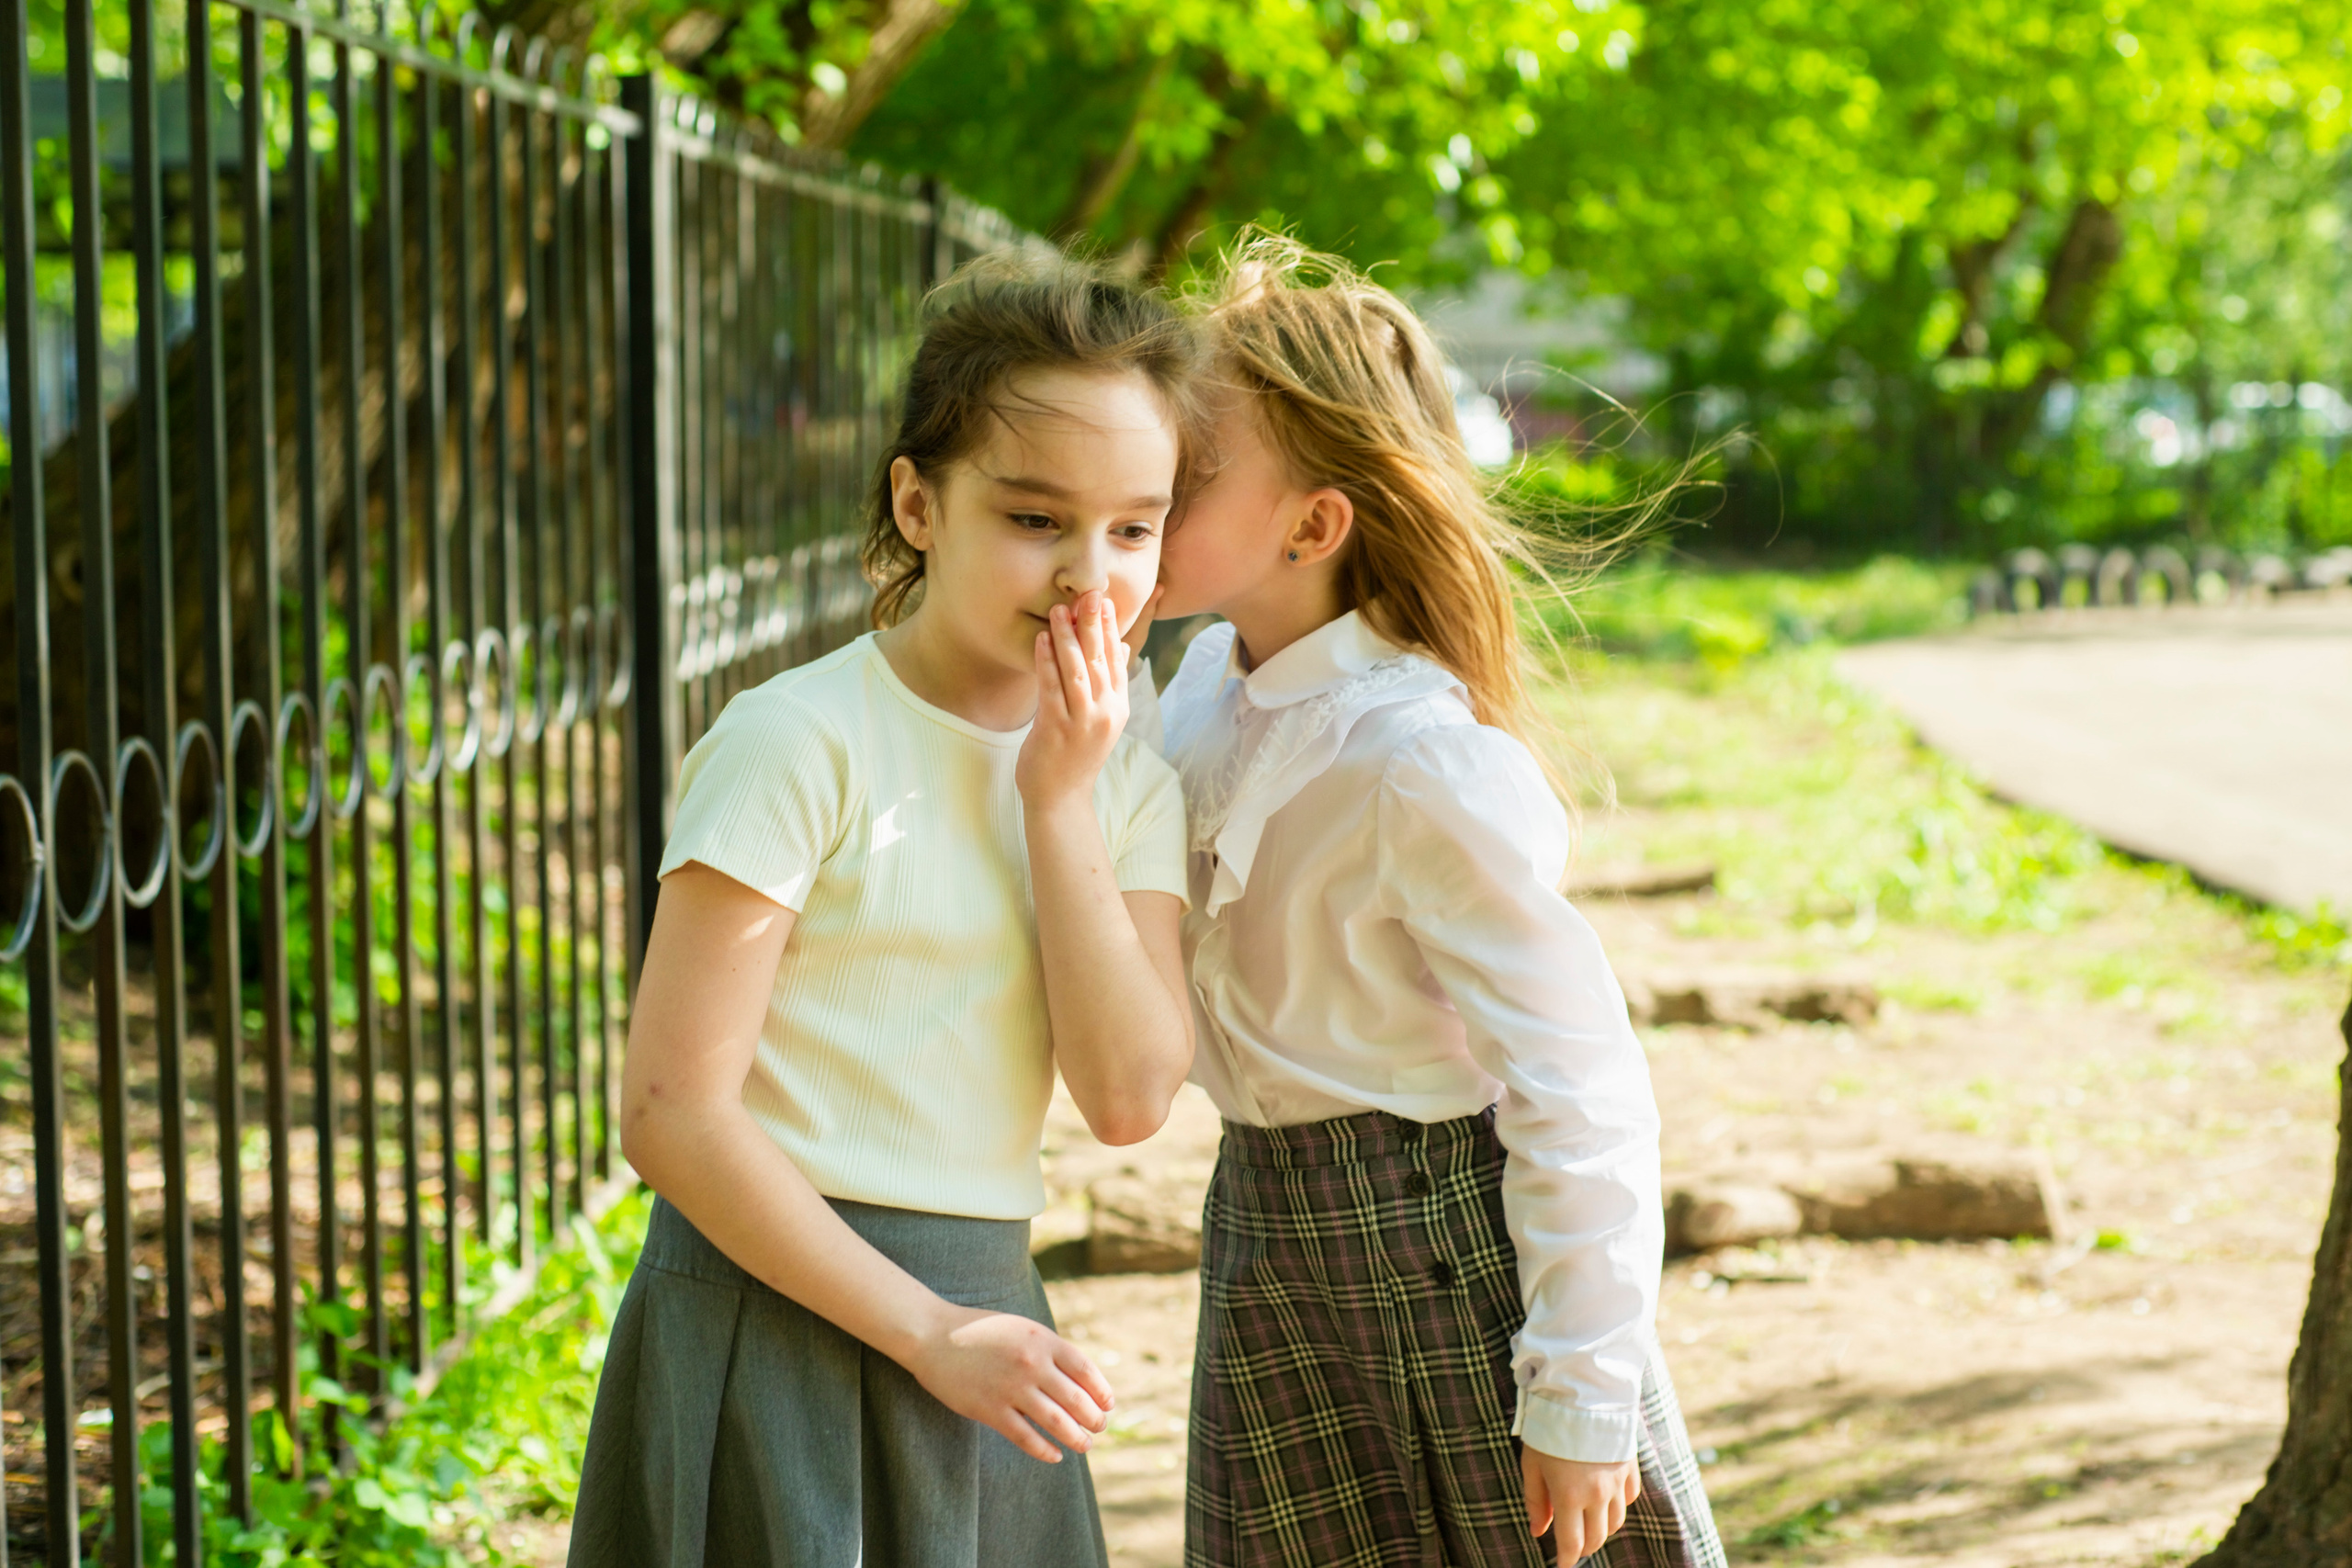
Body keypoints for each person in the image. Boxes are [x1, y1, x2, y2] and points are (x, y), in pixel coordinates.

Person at [566, 253, 1201, 1568]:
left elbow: (1130, 1095)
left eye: (1134, 530)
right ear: (919, 504)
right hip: (766, 1313)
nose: (1089, 576)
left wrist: (1056, 802)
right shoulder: (797, 740)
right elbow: (672, 1111)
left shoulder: (1126, 788)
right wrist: (925, 1332)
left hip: (986, 1323)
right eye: (1035, 519)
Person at [1146, 233, 1725, 1568]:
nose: (1145, 484)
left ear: (1313, 527)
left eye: (1189, 468)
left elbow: (1579, 1083)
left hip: (1449, 1258)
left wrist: (1581, 1394)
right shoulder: (1198, 690)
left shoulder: (1417, 759)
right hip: (1266, 1241)